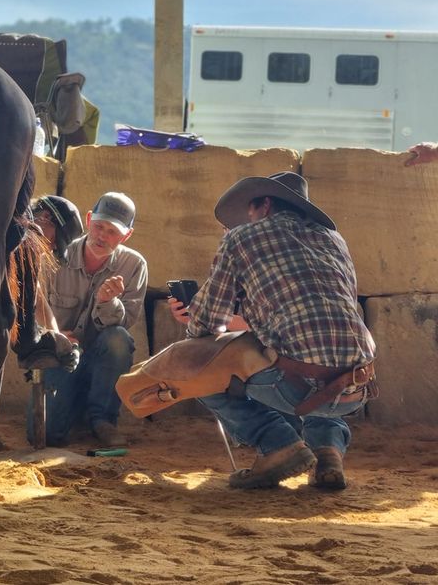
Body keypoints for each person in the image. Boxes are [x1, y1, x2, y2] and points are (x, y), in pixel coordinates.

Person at [169, 171, 376, 490]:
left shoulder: (240, 238)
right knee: (322, 360)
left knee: (201, 369)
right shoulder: (334, 239)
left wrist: (193, 322)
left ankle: (277, 445)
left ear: (265, 205)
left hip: (297, 387)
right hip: (356, 386)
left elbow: (207, 322)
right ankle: (328, 449)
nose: (246, 219)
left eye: (250, 211)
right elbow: (323, 312)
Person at [42, 192, 147, 448]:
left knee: (119, 340)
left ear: (126, 235)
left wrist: (107, 302)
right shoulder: (55, 255)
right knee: (48, 435)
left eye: (112, 231)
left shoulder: (134, 265)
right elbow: (32, 308)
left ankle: (103, 419)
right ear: (88, 219)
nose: (102, 236)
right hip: (61, 352)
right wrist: (51, 334)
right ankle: (75, 410)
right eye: (99, 226)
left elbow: (125, 323)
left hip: (101, 355)